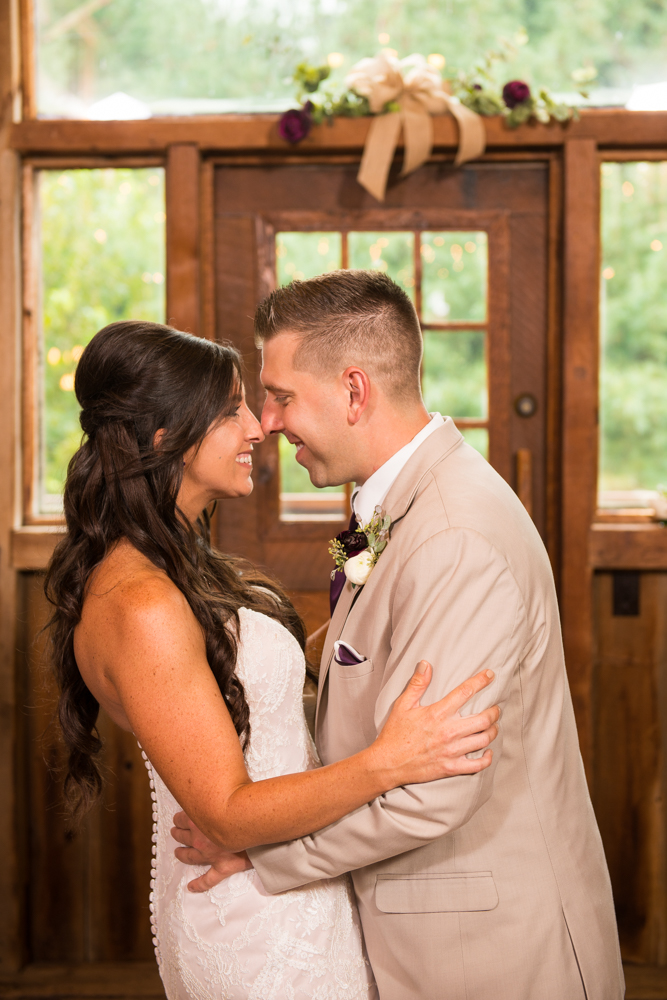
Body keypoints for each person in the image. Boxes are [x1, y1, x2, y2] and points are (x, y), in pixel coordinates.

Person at [172, 270, 624, 1000]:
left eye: (281, 395)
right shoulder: (401, 509)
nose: (267, 421)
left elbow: (431, 797)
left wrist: (263, 854)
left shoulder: (453, 538)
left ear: (354, 391)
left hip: (494, 953)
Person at [44, 320, 500, 1000]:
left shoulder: (179, 564)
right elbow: (226, 812)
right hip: (250, 914)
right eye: (230, 411)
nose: (259, 428)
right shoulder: (139, 603)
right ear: (165, 436)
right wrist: (389, 761)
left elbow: (258, 706)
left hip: (282, 885)